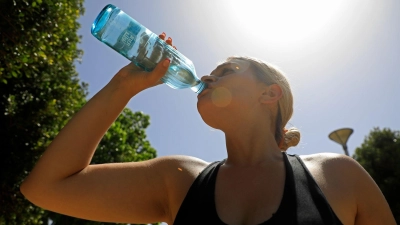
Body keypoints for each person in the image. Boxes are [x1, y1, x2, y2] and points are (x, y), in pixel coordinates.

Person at [20, 34, 396, 225]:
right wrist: (124, 85)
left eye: (226, 71)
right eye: (211, 72)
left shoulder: (337, 175)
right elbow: (44, 188)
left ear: (270, 93)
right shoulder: (179, 179)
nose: (204, 77)